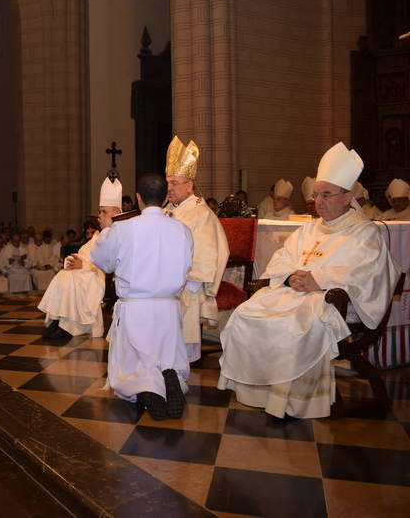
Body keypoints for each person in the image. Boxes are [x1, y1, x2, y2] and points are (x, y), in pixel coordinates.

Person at [218, 142, 400, 419]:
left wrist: (319, 279)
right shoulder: (309, 228)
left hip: (335, 303)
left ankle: (292, 401)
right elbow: (282, 257)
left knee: (294, 325)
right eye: (317, 195)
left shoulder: (364, 233)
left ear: (347, 195)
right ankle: (260, 393)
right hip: (295, 294)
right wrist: (290, 276)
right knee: (246, 313)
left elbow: (365, 273)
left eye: (327, 195)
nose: (319, 202)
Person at [92, 174, 193, 419]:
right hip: (168, 308)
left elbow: (103, 262)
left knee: (134, 367)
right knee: (167, 357)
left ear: (138, 199)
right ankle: (169, 378)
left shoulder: (123, 229)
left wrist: (106, 231)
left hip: (135, 308)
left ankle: (146, 391)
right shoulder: (182, 230)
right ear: (165, 198)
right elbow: (187, 265)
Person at [164, 136, 230, 363]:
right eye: (168, 182)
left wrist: (184, 280)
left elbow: (207, 255)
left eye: (175, 183)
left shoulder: (201, 215)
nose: (169, 188)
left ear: (190, 185)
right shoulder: (166, 211)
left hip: (189, 283)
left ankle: (180, 361)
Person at [38, 177, 122, 339]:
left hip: (98, 275)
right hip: (86, 271)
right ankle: (58, 319)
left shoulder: (121, 232)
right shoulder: (99, 233)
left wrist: (83, 265)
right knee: (64, 275)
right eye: (99, 211)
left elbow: (109, 262)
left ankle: (68, 326)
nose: (99, 216)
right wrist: (74, 260)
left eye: (104, 212)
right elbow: (86, 252)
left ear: (116, 213)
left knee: (72, 279)